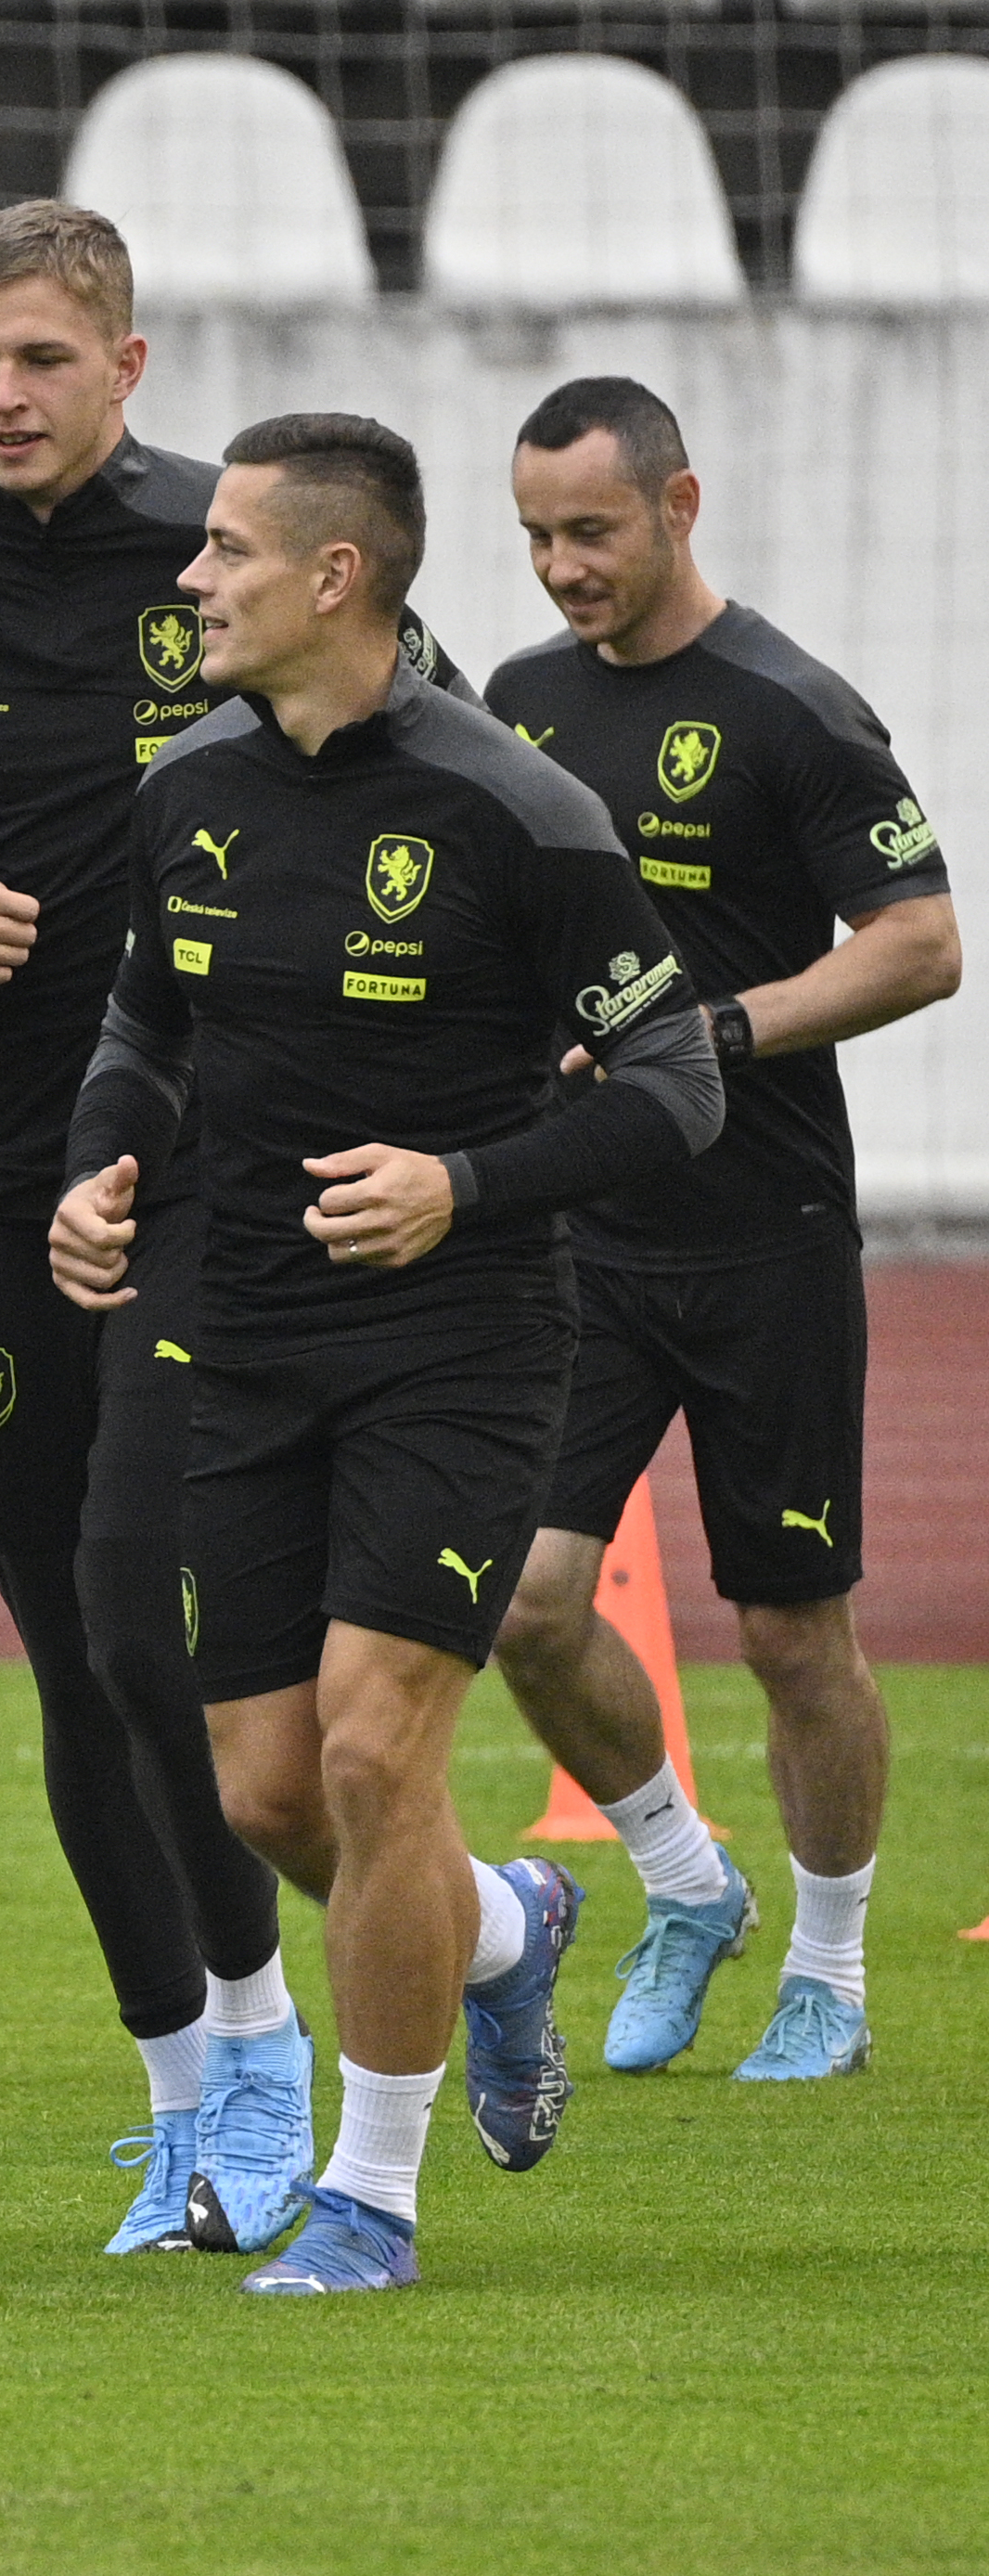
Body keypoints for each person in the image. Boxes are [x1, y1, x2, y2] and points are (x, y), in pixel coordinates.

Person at [0, 203, 461, 2258]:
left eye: (40, 361)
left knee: (162, 1619)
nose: (2, 398)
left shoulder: (232, 558)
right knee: (77, 1646)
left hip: (220, 1170)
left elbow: (413, 772)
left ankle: (277, 2046)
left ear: (126, 364)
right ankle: (191, 2098)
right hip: (0, 1159)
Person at [53, 414, 723, 2293]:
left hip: (463, 1347)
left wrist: (464, 1178)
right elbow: (142, 1030)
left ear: (336, 577)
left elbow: (675, 1086)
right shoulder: (188, 791)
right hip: (249, 1341)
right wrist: (97, 1169)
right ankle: (506, 1933)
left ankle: (371, 2197)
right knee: (266, 1790)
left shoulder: (517, 810)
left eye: (229, 554)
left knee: (369, 1753)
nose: (191, 579)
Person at [483, 378, 958, 2082]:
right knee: (523, 1603)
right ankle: (689, 1886)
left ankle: (829, 1967)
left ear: (682, 503)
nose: (558, 568)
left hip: (764, 1234)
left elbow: (919, 943)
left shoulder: (792, 708)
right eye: (534, 534)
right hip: (576, 1236)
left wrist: (724, 1029)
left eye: (589, 531)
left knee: (787, 1629)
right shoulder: (517, 701)